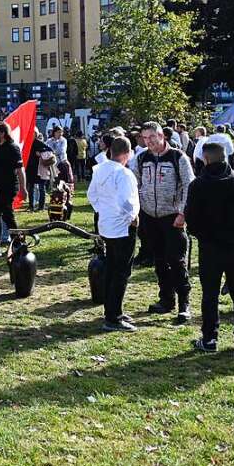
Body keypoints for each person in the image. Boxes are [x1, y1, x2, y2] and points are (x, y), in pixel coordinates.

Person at [184, 142, 234, 353]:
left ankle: (210, 338)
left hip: (210, 247)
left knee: (210, 293)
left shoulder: (198, 185)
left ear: (206, 159)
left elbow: (190, 220)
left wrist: (202, 234)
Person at [130, 121, 196, 323]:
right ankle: (166, 299)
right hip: (149, 217)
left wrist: (183, 213)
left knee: (176, 261)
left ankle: (184, 303)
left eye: (152, 137)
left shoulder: (178, 157)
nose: (148, 141)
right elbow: (134, 183)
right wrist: (136, 210)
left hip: (172, 217)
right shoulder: (141, 158)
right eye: (145, 138)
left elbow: (189, 186)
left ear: (162, 136)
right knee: (159, 261)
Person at [87, 136, 141, 332]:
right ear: (127, 154)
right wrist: (132, 217)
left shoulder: (100, 169)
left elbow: (92, 195)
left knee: (112, 268)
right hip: (122, 227)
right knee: (121, 272)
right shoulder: (124, 174)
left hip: (107, 224)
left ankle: (112, 309)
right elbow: (127, 201)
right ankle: (113, 316)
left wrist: (104, 210)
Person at [0, 122, 27, 258]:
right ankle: (18, 243)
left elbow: (20, 170)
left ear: (3, 133)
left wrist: (23, 188)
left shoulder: (13, 148)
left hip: (8, 188)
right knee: (7, 216)